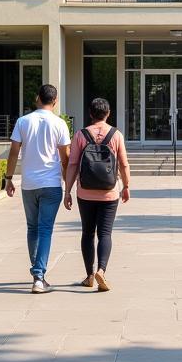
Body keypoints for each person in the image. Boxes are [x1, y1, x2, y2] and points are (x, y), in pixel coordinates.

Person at [5, 83, 71, 293]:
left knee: (32, 227)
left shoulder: (23, 121)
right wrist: (68, 184)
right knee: (44, 229)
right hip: (51, 183)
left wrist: (8, 178)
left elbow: (13, 152)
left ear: (37, 98)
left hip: (29, 184)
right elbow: (65, 157)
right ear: (55, 101)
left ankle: (37, 273)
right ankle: (39, 276)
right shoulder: (60, 124)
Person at [63, 97, 131, 292]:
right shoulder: (116, 135)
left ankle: (90, 276)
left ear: (90, 114)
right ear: (108, 113)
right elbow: (124, 164)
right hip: (110, 192)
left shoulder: (80, 135)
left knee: (87, 233)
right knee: (105, 233)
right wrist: (126, 186)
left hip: (85, 192)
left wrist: (67, 191)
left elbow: (73, 164)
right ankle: (102, 269)